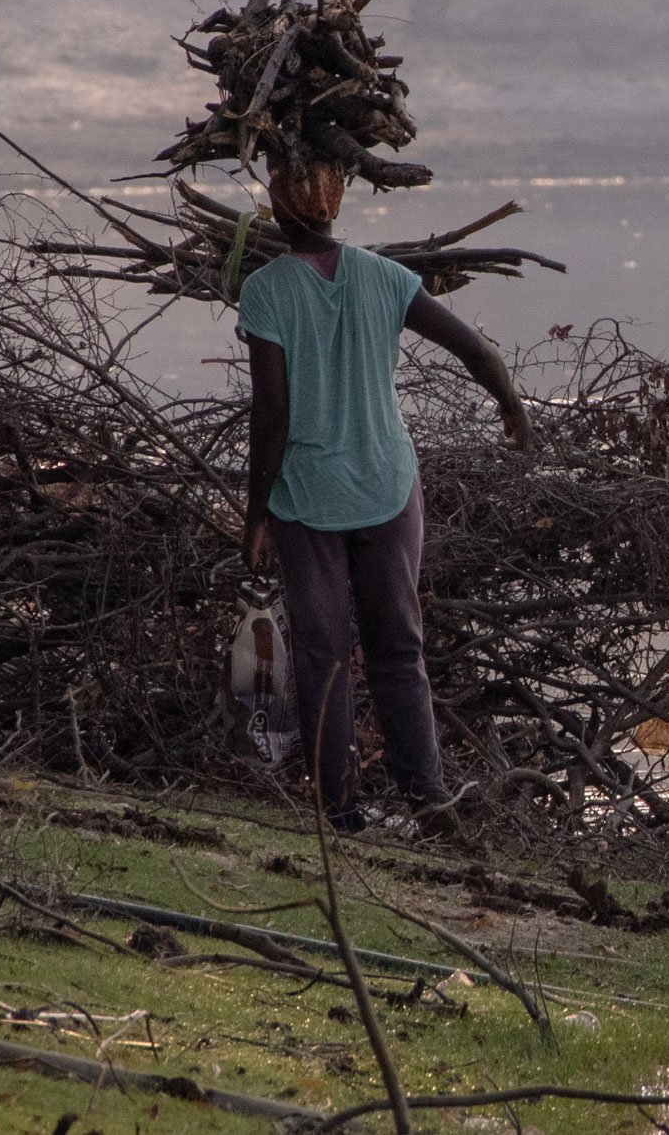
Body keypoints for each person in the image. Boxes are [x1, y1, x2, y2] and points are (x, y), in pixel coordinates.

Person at [238, 159, 531, 837]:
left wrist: (254, 516)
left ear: (276, 211)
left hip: (305, 496)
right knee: (399, 648)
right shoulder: (388, 277)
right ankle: (428, 800)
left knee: (323, 653)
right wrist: (511, 406)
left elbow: (272, 415)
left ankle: (341, 815)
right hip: (388, 486)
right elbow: (477, 350)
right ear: (336, 203)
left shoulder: (264, 291)